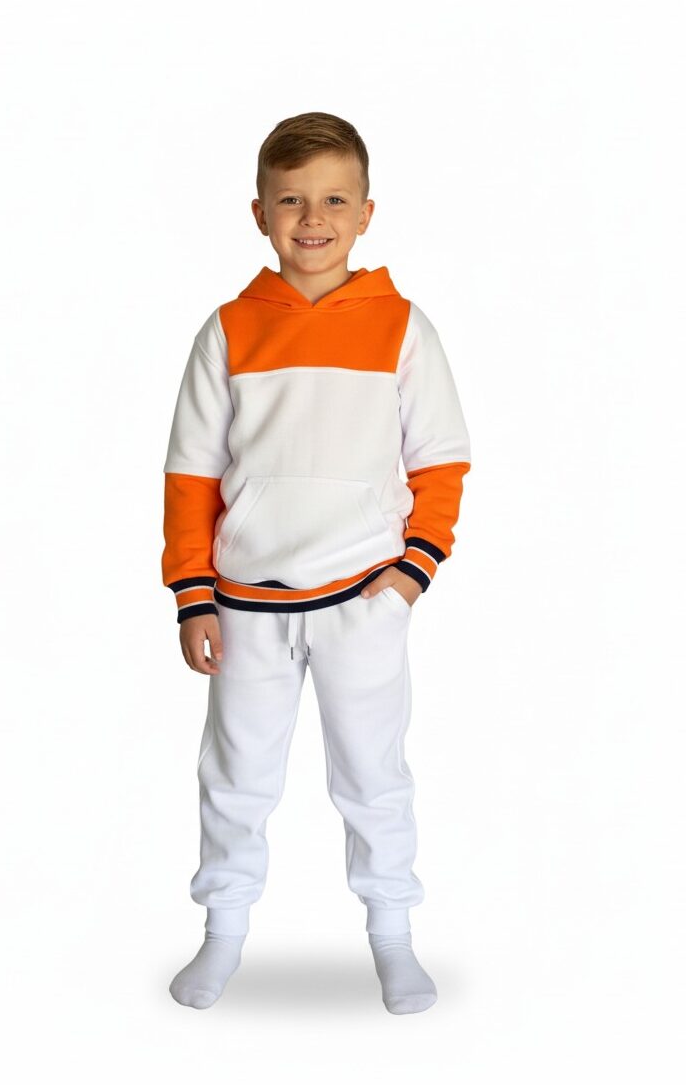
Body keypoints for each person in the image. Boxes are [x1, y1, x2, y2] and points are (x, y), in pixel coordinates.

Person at [161, 111, 471, 1013]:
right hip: (243, 603)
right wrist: (192, 594)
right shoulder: (229, 330)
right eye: (291, 199)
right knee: (235, 776)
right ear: (259, 213)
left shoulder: (402, 327)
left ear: (366, 213)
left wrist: (410, 573)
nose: (312, 218)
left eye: (334, 200)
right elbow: (190, 472)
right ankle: (223, 933)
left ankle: (392, 936)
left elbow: (442, 459)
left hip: (362, 598)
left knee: (373, 774)